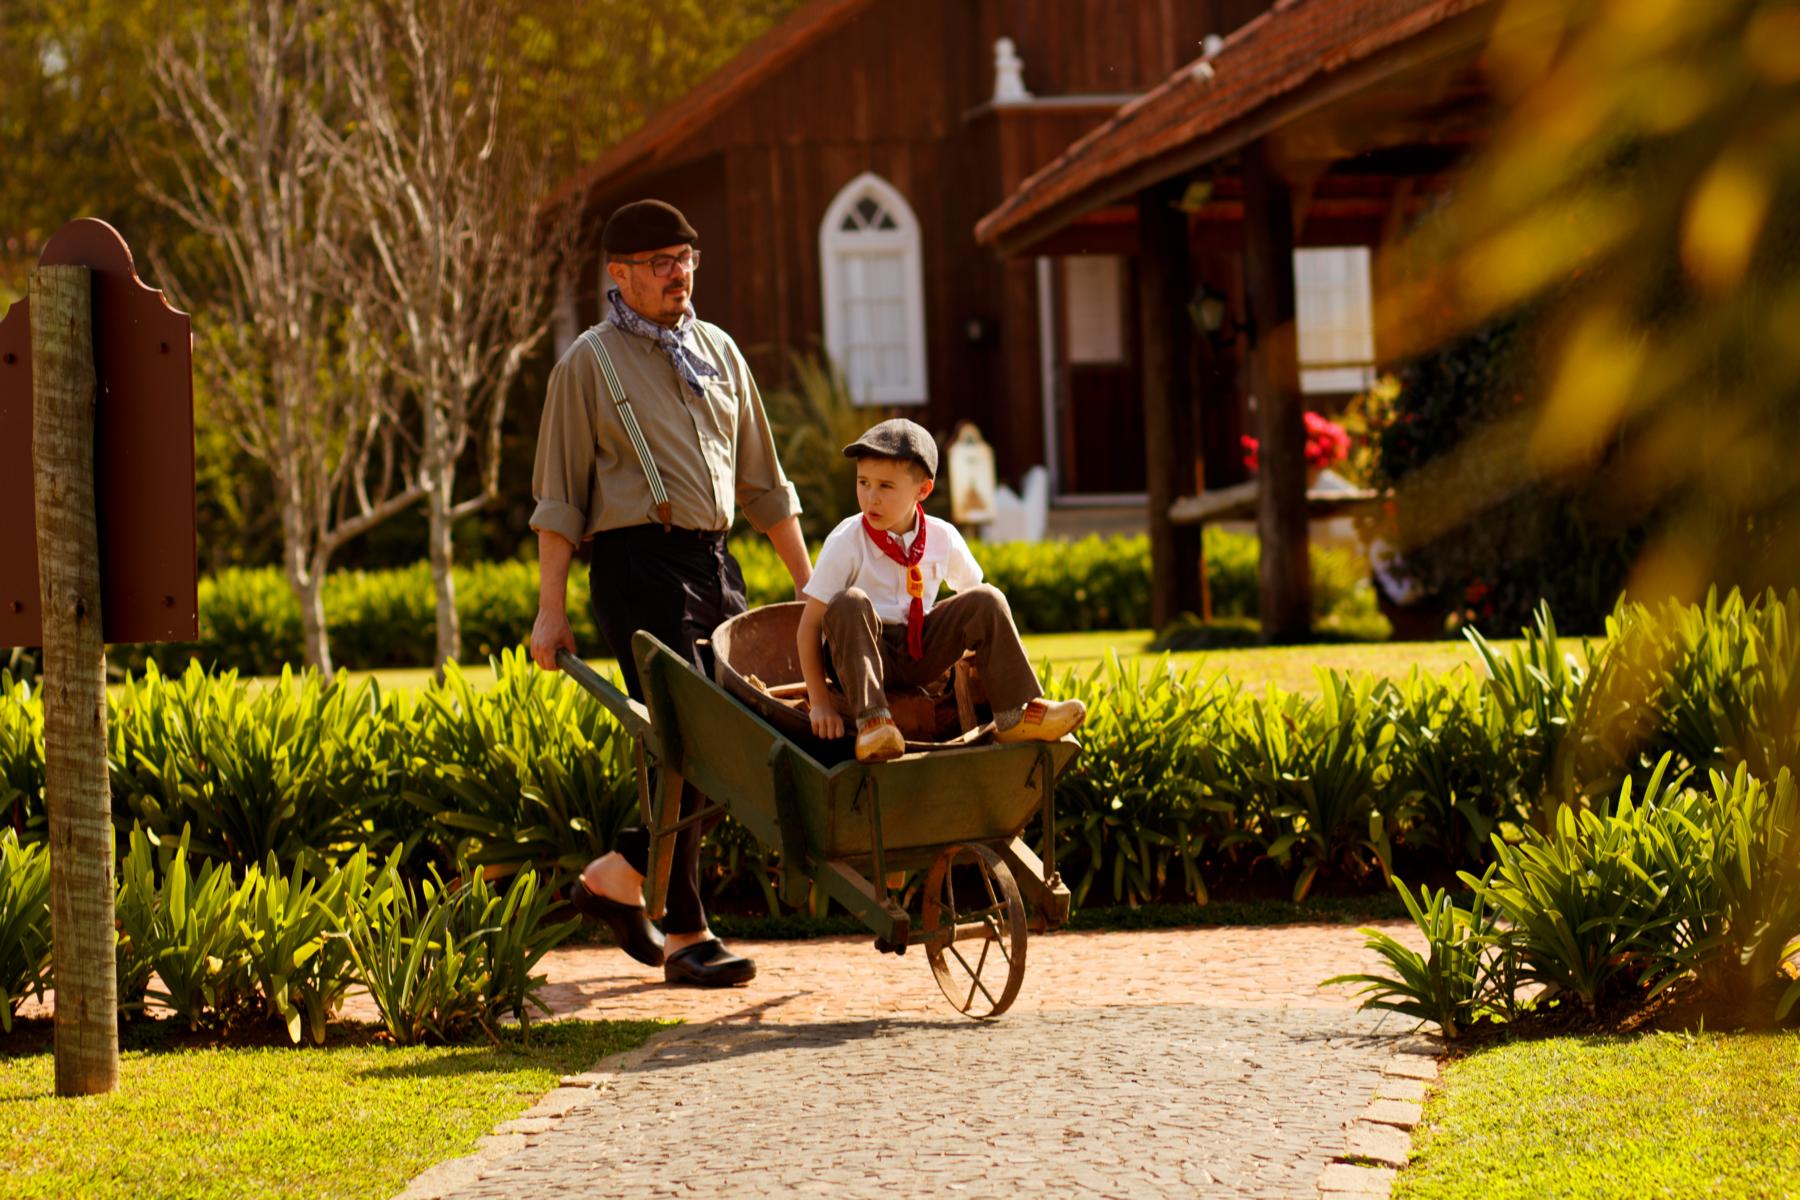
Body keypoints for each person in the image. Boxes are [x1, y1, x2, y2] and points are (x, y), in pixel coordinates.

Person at [529, 199, 812, 987]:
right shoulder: (588, 364)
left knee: (747, 730)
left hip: (716, 563)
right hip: (636, 567)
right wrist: (550, 611)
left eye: (685, 257)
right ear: (618, 275)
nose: (678, 272)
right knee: (691, 736)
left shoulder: (719, 352)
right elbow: (558, 502)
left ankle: (619, 874)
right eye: (659, 262)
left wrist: (808, 583)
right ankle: (686, 932)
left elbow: (765, 482)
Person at [795, 418, 1086, 762]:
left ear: (922, 490)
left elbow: (978, 611)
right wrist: (821, 704)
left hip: (919, 651)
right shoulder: (847, 540)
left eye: (885, 486)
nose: (870, 498)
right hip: (861, 654)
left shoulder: (942, 536)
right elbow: (809, 627)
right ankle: (874, 724)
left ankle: (1016, 714)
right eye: (863, 483)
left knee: (988, 599)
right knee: (849, 602)